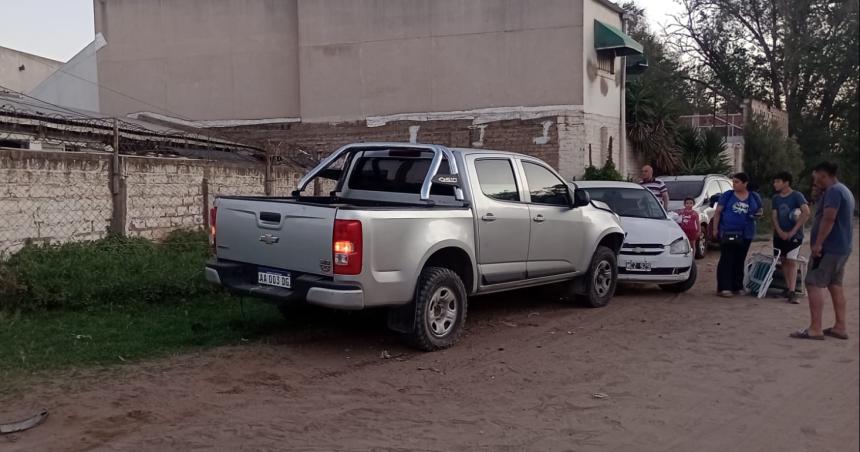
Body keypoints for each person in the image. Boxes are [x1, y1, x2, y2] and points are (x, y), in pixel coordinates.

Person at [790, 162, 855, 341]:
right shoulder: (844, 190)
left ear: (824, 175)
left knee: (813, 283)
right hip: (842, 247)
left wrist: (818, 243)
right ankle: (840, 327)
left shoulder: (834, 191)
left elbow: (829, 218)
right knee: (835, 285)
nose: (815, 181)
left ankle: (815, 328)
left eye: (816, 177)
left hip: (830, 248)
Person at [712, 172, 763, 298]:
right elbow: (718, 212)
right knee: (727, 259)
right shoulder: (727, 195)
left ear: (745, 183)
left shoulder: (754, 196)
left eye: (737, 182)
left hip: (746, 233)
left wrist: (758, 215)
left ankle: (737, 286)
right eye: (733, 181)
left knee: (740, 259)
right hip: (728, 231)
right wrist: (715, 229)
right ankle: (724, 287)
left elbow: (760, 210)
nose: (734, 184)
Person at [771, 172, 811, 304]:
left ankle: (793, 292)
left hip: (795, 236)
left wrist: (793, 231)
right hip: (779, 235)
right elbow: (774, 216)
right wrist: (780, 231)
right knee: (783, 260)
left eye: (778, 181)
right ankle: (788, 288)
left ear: (786, 182)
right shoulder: (776, 198)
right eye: (774, 182)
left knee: (791, 260)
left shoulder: (797, 196)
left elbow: (806, 212)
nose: (775, 184)